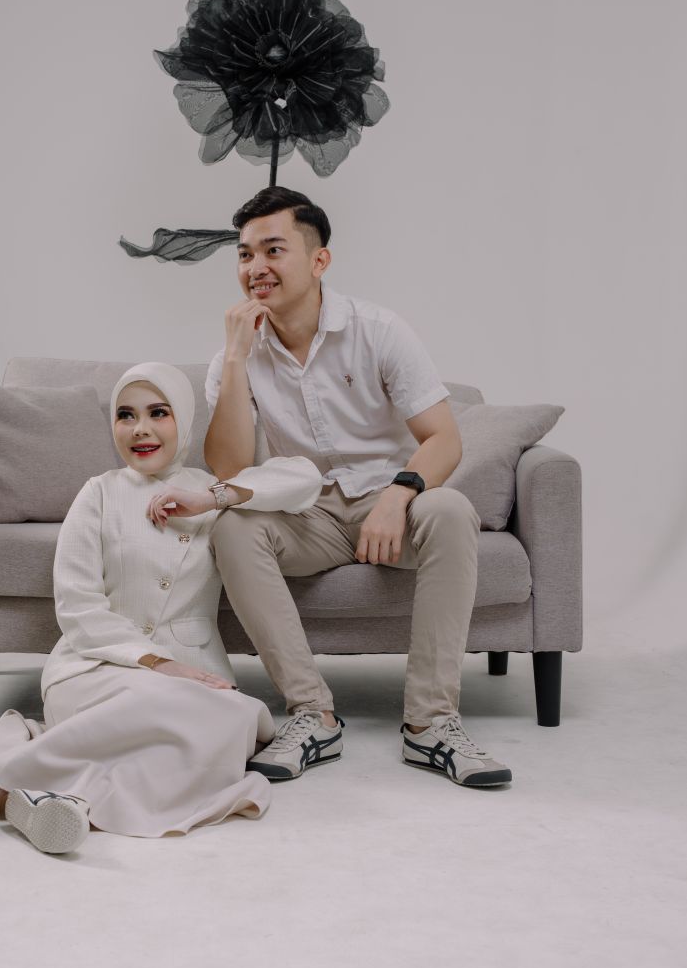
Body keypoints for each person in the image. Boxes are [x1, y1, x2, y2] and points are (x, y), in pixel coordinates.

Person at [0, 362, 323, 851]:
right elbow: (77, 606)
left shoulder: (208, 492)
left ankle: (48, 801)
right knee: (178, 713)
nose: (140, 428)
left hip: (195, 678)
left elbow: (304, 478)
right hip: (94, 667)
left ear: (183, 419)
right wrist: (157, 663)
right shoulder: (98, 492)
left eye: (158, 413)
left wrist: (212, 497)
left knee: (236, 720)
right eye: (125, 415)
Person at [205, 187, 512, 788]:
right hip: (305, 513)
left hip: (387, 503)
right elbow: (229, 468)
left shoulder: (378, 330)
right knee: (232, 525)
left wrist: (398, 496)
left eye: (273, 249)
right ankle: (311, 715)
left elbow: (444, 438)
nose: (255, 267)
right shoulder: (235, 355)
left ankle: (430, 725)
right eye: (244, 254)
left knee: (450, 509)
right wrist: (237, 358)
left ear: (319, 259)